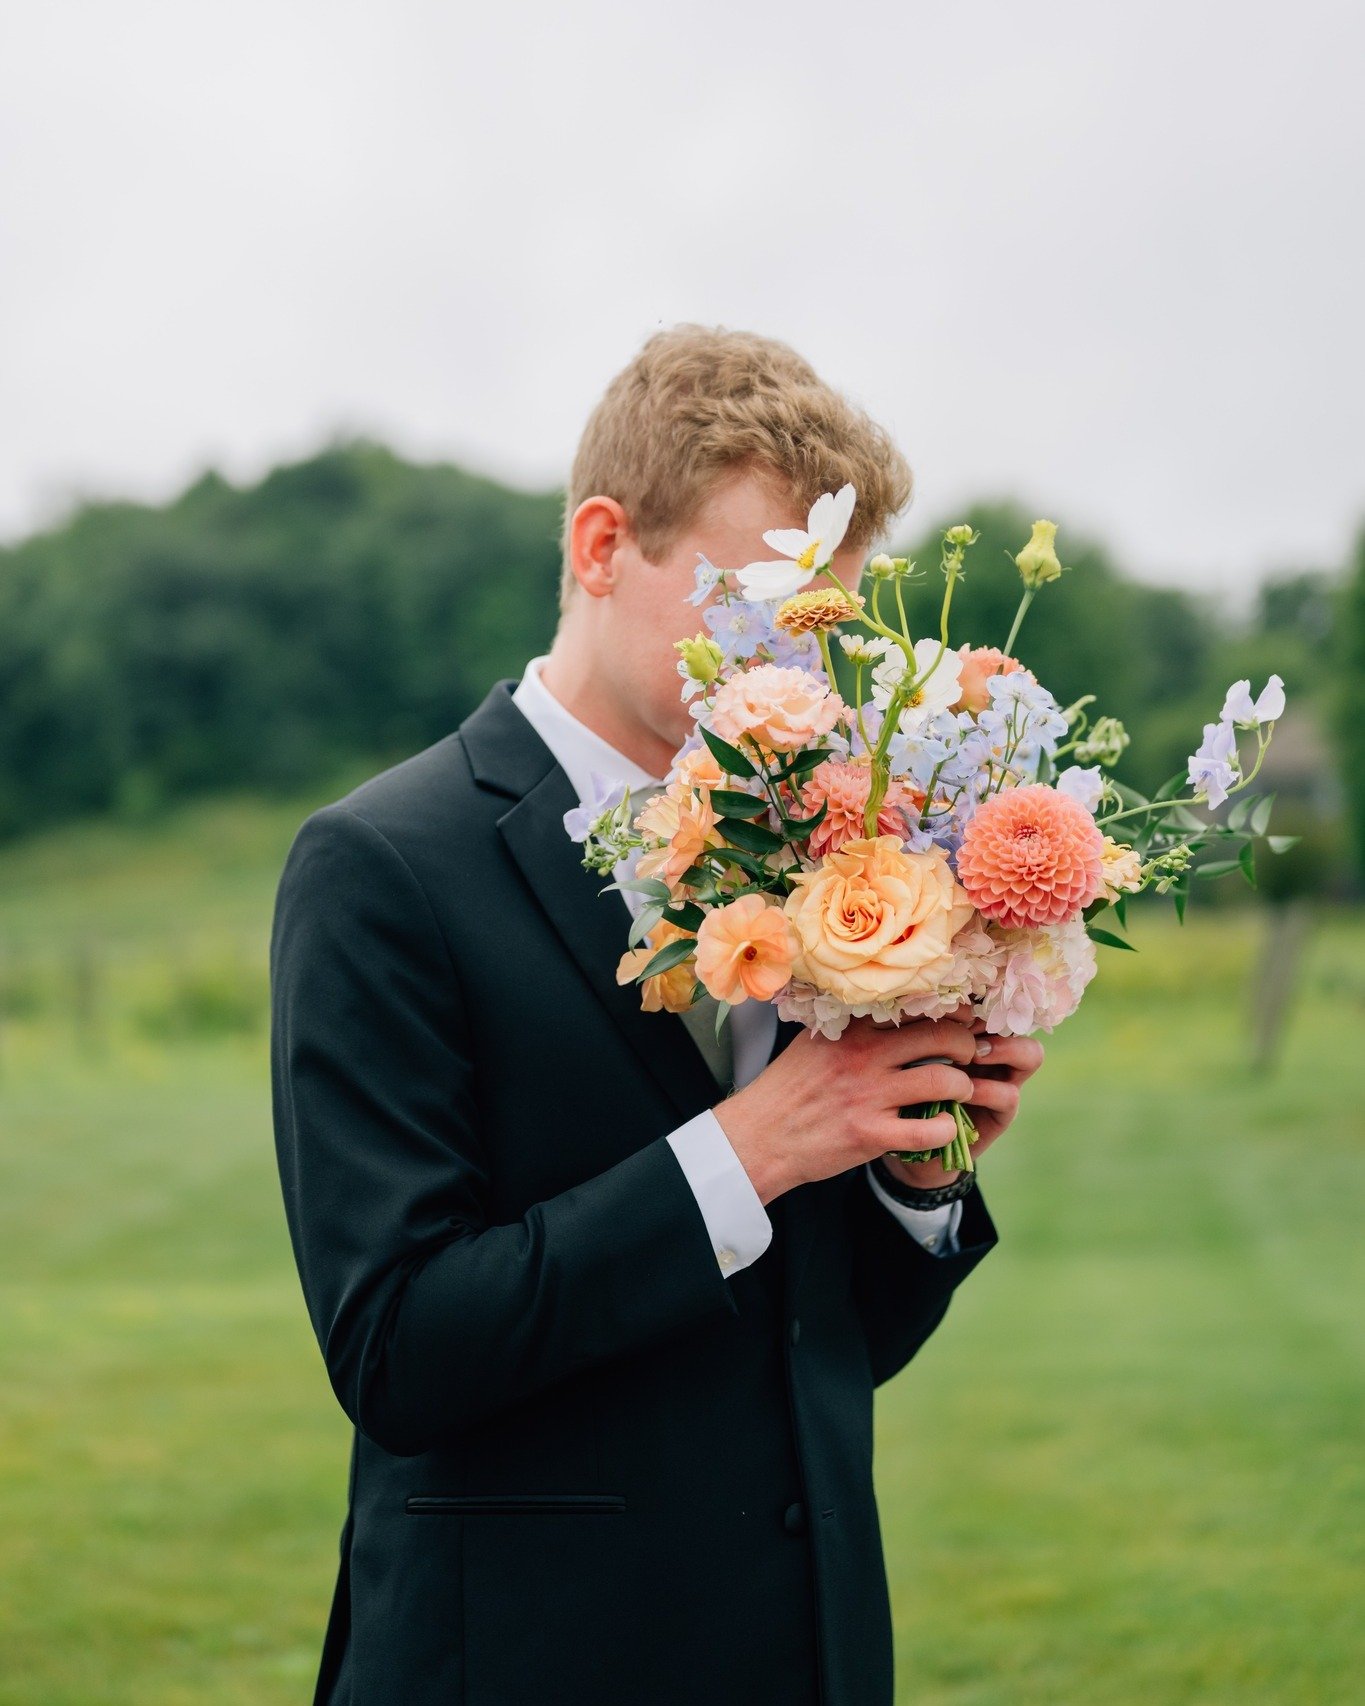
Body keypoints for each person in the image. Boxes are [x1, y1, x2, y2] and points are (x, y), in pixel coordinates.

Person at [269, 323, 1046, 1706]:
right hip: (515, 1660)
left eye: (818, 624)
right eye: (746, 599)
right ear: (599, 545)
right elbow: (398, 1345)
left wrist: (917, 1169)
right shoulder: (377, 865)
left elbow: (822, 1344)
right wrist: (753, 1145)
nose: (792, 672)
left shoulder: (817, 852)